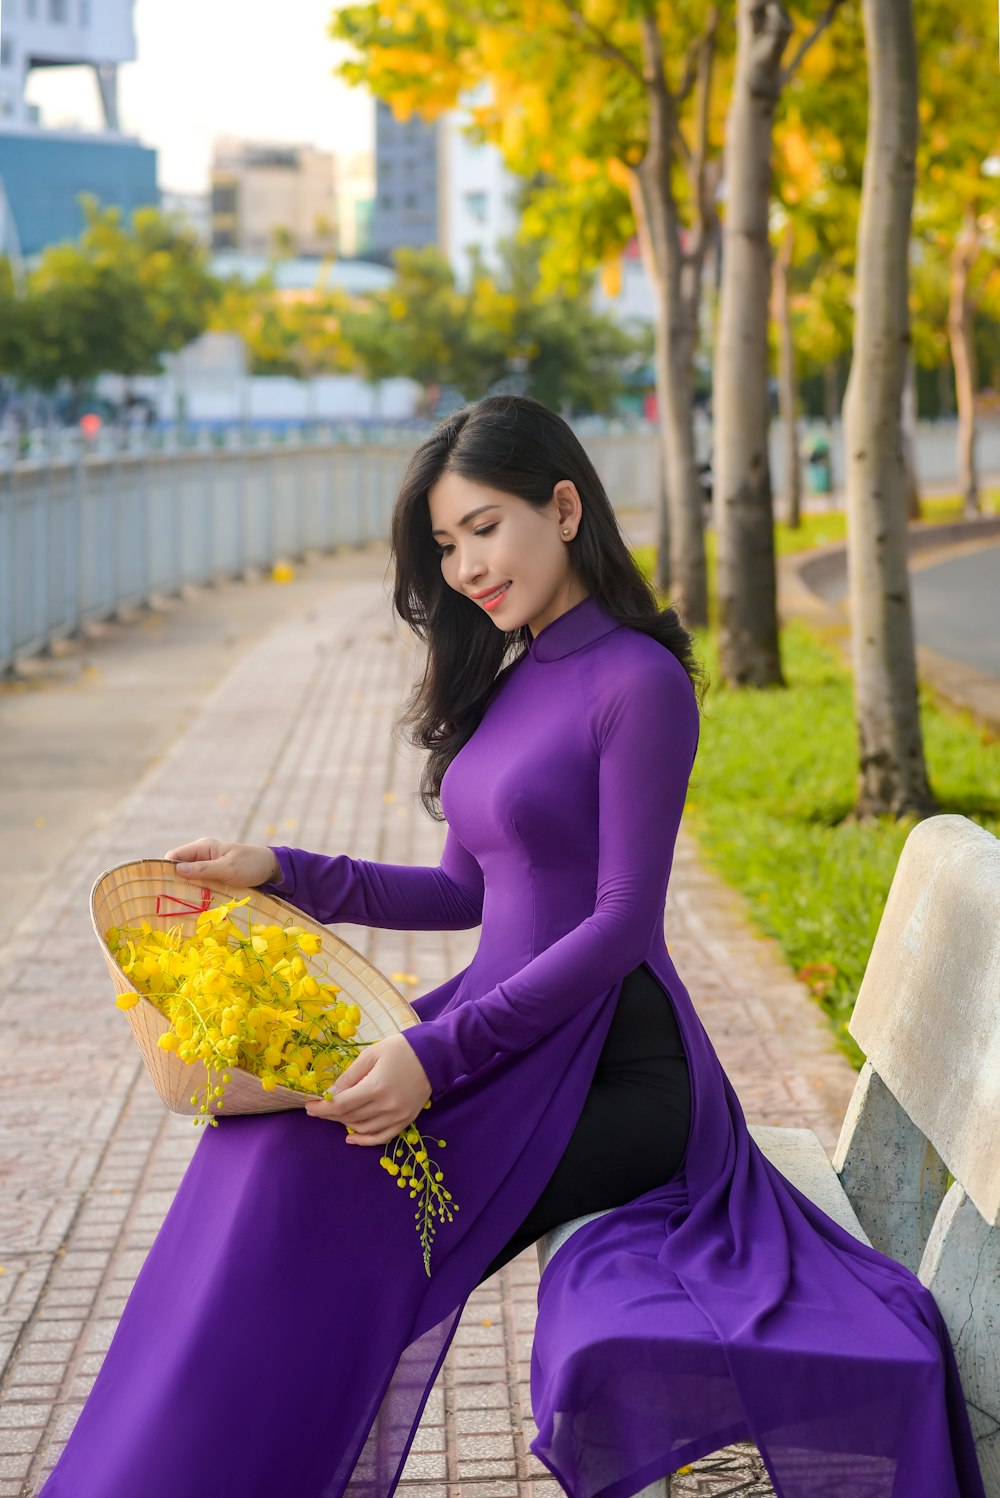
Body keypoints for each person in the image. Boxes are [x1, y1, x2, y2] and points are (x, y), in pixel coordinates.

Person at [39, 396, 983, 1498]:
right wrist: (280, 868)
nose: (465, 566)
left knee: (310, 1179)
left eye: (483, 527)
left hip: (611, 1067)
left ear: (564, 505)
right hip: (497, 1037)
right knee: (254, 1153)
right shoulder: (512, 673)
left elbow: (619, 924)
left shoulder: (638, 681)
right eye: (445, 545)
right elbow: (458, 890)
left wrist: (432, 1060)